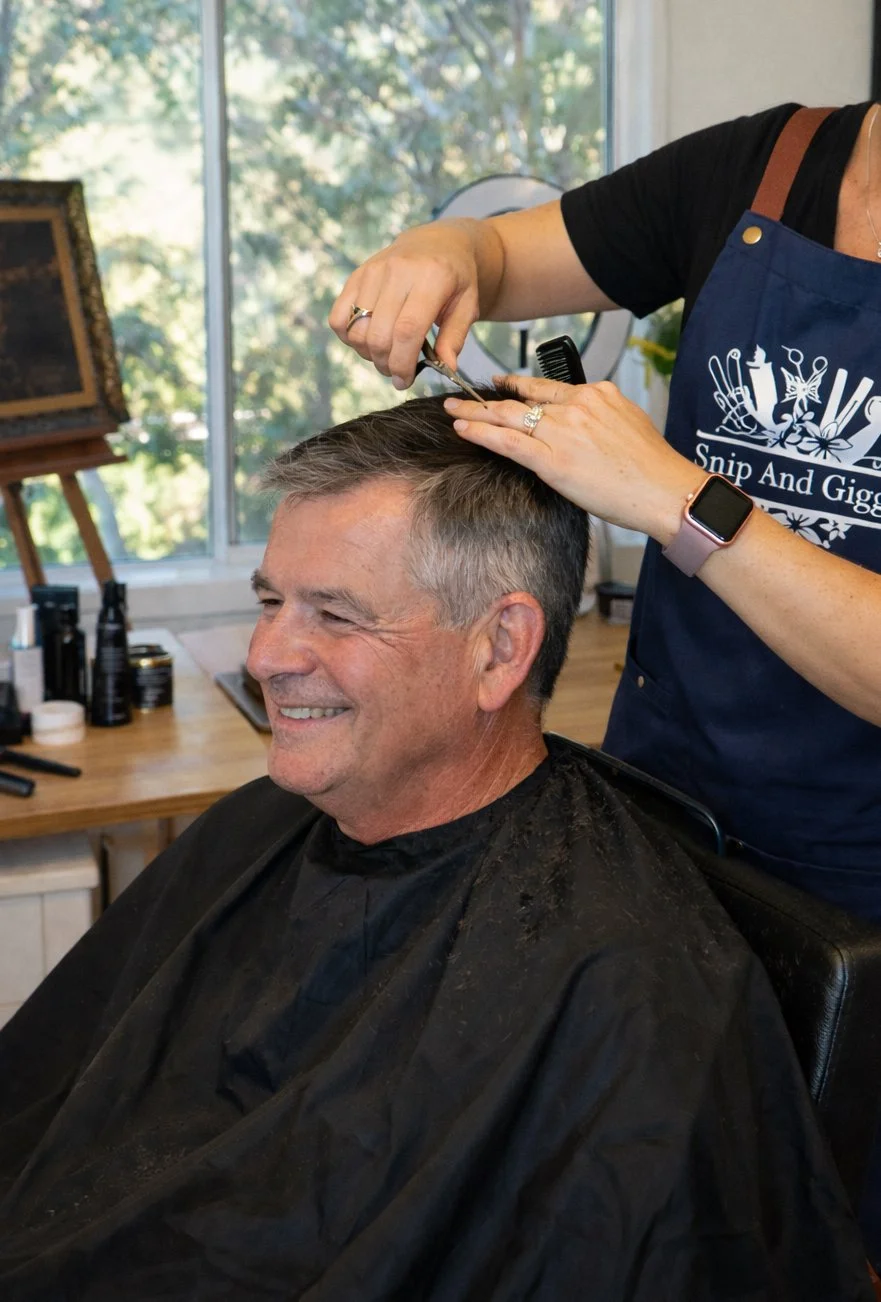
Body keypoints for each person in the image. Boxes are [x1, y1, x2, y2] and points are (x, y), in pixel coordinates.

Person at [0, 392, 873, 1300]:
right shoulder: (259, 829)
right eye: (271, 601)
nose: (266, 656)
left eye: (334, 615)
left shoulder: (621, 984)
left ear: (498, 650)